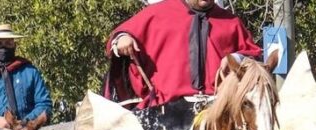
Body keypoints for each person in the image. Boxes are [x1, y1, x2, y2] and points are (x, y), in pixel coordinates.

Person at [104, 0, 262, 108]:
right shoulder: (158, 13)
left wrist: (235, 58)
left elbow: (253, 53)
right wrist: (123, 38)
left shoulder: (231, 22)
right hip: (166, 108)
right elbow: (120, 35)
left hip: (218, 108)